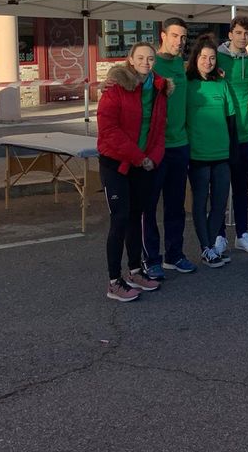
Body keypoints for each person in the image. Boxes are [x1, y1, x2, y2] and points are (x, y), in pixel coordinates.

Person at [96, 42, 171, 302]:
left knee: (136, 217)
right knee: (120, 219)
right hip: (117, 163)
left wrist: (153, 158)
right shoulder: (115, 87)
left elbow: (160, 129)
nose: (146, 62)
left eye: (150, 58)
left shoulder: (159, 88)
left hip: (143, 164)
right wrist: (140, 158)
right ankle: (114, 281)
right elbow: (109, 131)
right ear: (130, 59)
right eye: (140, 58)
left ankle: (135, 270)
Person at [143, 18, 195, 279]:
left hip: (180, 145)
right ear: (163, 35)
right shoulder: (151, 64)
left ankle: (175, 255)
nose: (179, 42)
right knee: (149, 206)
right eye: (175, 36)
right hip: (155, 148)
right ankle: (151, 259)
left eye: (183, 37)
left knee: (176, 206)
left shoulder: (182, 65)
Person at [185, 36, 238, 268]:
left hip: (222, 155)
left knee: (219, 203)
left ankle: (210, 246)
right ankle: (206, 247)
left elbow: (231, 120)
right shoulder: (187, 85)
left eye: (212, 58)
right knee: (200, 203)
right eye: (204, 57)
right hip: (197, 156)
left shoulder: (222, 84)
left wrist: (233, 151)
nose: (208, 61)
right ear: (196, 58)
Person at [216, 15, 248, 255]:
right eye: (240, 32)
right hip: (222, 133)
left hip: (244, 133)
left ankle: (242, 233)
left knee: (242, 188)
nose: (244, 37)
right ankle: (219, 235)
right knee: (222, 188)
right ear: (230, 33)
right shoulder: (216, 58)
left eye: (247, 33)